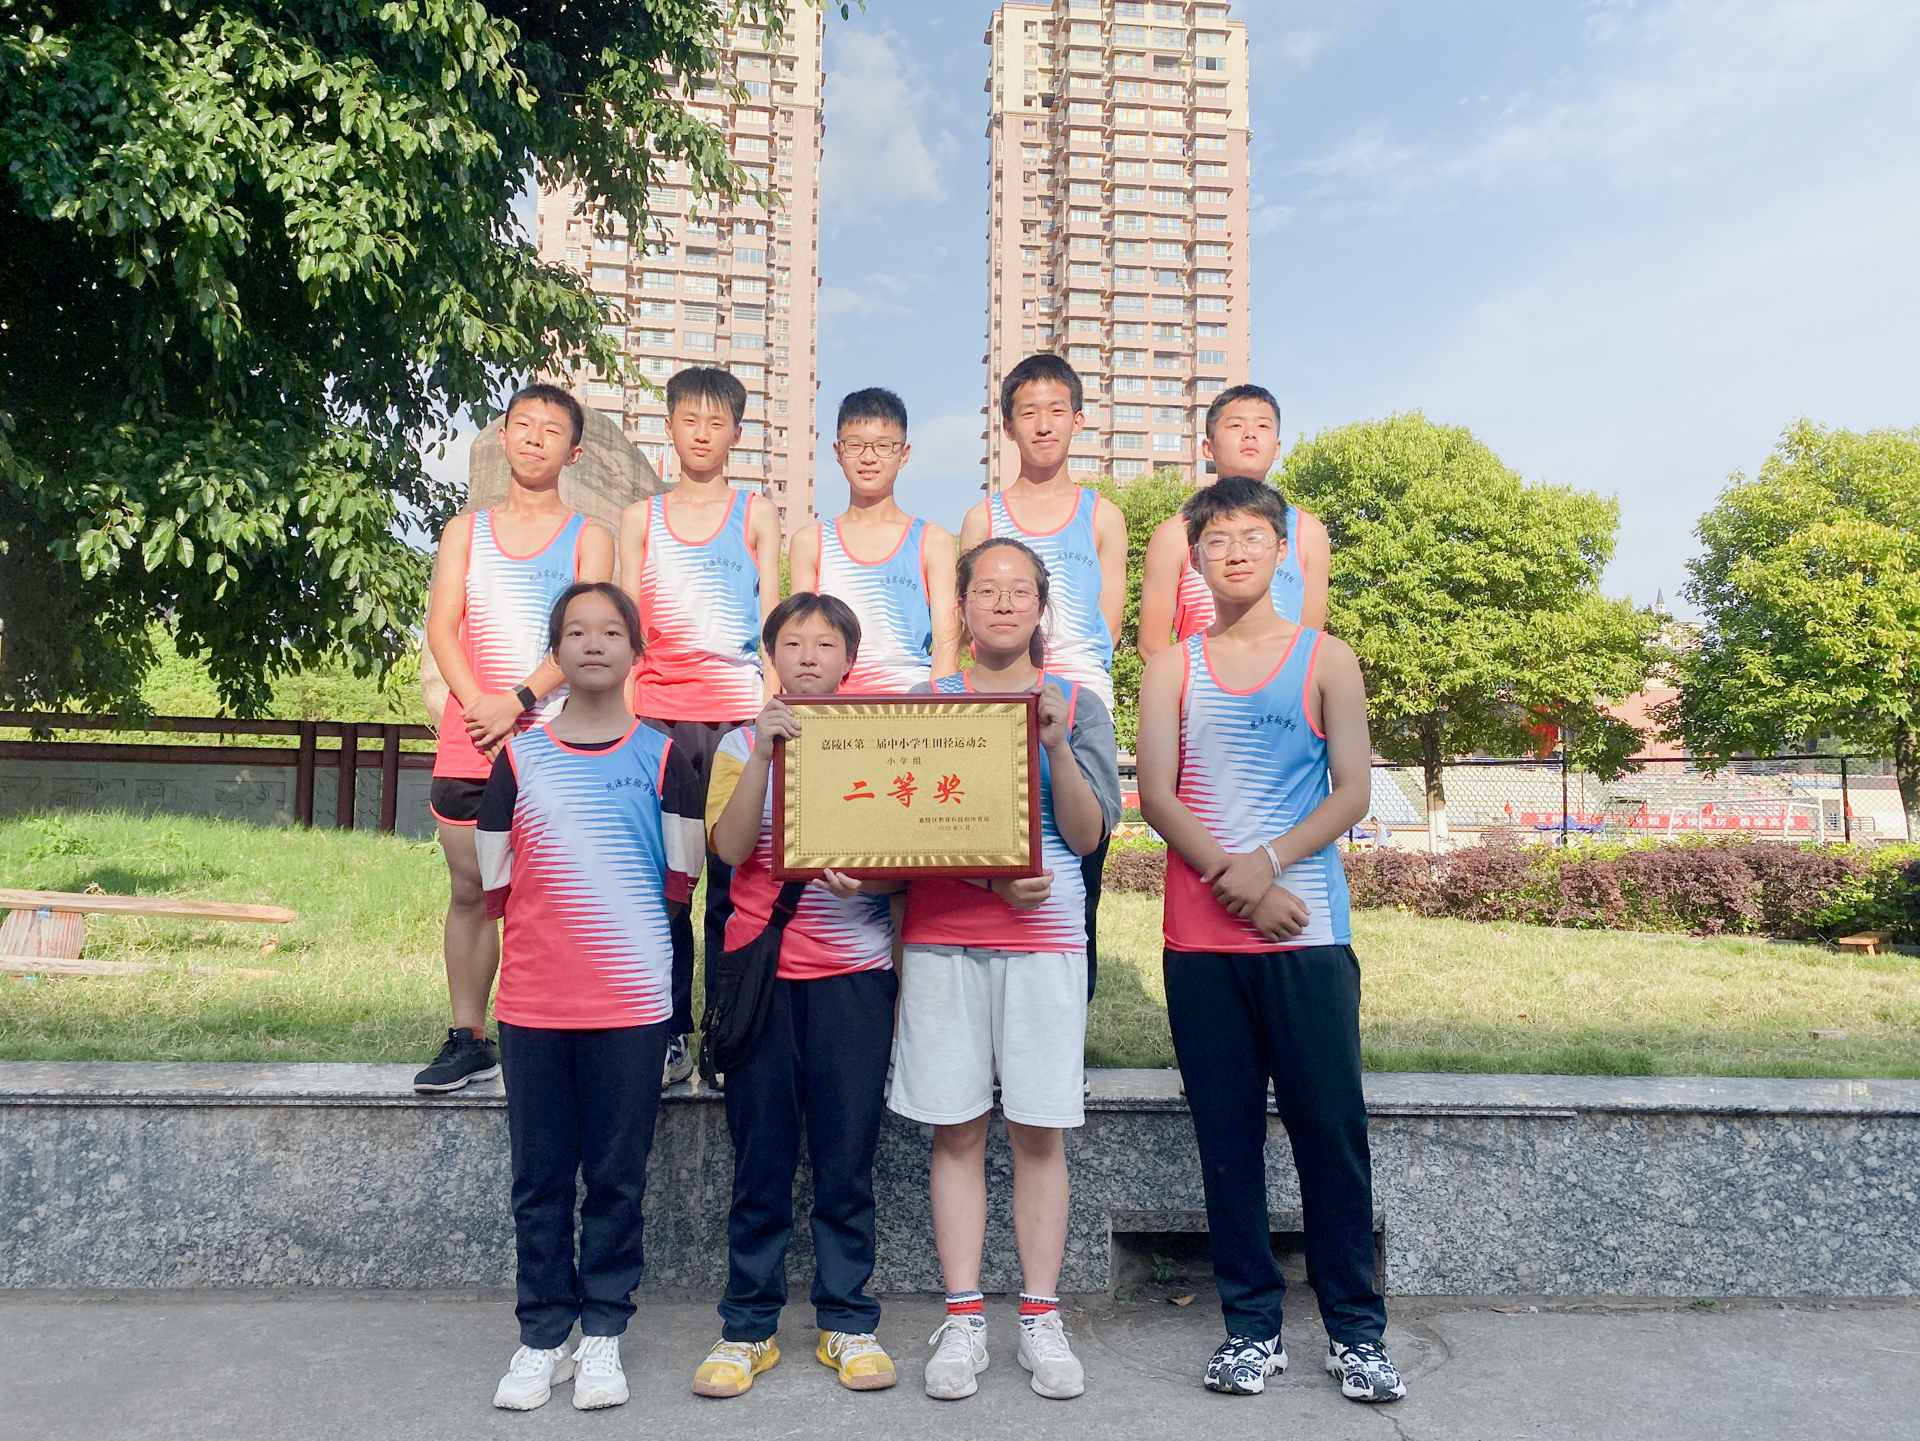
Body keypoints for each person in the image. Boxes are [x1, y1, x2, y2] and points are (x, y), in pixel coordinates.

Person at [1136, 477, 1405, 1404]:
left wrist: (1272, 863)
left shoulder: (1327, 658)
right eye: (1218, 539)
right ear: (1195, 559)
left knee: (1332, 1134)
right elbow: (1158, 795)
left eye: (1254, 536)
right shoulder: (1172, 668)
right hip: (1202, 943)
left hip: (1309, 933)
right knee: (1227, 1141)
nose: (1236, 551)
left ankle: (1356, 1333)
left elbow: (1352, 790)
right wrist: (1239, 882)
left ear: (1283, 550)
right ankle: (1250, 1327)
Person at [891, 537, 1122, 1404]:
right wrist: (988, 881)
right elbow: (905, 834)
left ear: (1041, 606)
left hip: (1046, 943)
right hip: (942, 940)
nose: (1001, 602)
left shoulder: (1077, 702)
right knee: (955, 1129)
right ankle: (962, 1318)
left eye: (1018, 589)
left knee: (1038, 1131)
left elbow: (1088, 834)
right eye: (984, 589)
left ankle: (1039, 1315)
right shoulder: (926, 704)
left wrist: (1056, 745)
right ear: (961, 605)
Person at [478, 582, 705, 1412]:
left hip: (631, 1008)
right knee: (539, 1179)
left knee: (616, 1177)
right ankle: (542, 1334)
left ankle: (603, 1331)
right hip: (533, 1006)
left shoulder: (665, 758)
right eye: (576, 631)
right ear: (556, 653)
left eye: (612, 630)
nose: (595, 643)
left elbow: (681, 882)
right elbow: (496, 881)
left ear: (637, 651)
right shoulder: (519, 758)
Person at [690, 593, 904, 1400]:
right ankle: (748, 1326)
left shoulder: (880, 738)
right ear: (771, 655)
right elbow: (730, 846)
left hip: (855, 977)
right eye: (792, 642)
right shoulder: (738, 743)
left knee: (847, 1161)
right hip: (765, 978)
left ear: (850, 659)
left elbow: (905, 862)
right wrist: (767, 753)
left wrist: (870, 880)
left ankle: (847, 1319)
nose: (809, 655)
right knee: (762, 1160)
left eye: (825, 643)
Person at [416, 383, 616, 1093]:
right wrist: (482, 709)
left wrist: (519, 701)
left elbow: (589, 637)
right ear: (502, 437)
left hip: (557, 740)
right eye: (522, 424)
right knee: (470, 888)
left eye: (551, 430)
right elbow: (442, 628)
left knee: (557, 890)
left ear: (574, 452)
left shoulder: (590, 537)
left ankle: (563, 1032)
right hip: (471, 738)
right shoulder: (463, 532)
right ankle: (468, 1037)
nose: (534, 438)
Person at [620, 366, 783, 1087]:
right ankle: (669, 1030)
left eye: (717, 423)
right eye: (690, 420)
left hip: (736, 722)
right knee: (666, 886)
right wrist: (628, 721)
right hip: (658, 721)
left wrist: (770, 715)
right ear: (670, 426)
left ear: (736, 434)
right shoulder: (640, 518)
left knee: (730, 885)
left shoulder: (756, 513)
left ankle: (724, 1030)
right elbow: (626, 627)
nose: (702, 434)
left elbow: (773, 624)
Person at [958, 354, 1126, 1004]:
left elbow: (1106, 626)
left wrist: (1067, 697)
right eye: (1028, 412)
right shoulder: (984, 518)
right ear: (1007, 426)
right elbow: (969, 618)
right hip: (997, 703)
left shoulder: (1103, 516)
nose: (1044, 423)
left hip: (1078, 707)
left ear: (1078, 420)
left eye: (1057, 410)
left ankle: (1068, 1027)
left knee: (1080, 873)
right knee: (986, 854)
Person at [1137, 384, 1329, 662]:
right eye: (1236, 425)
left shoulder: (1309, 534)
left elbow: (1310, 643)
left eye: (1262, 426)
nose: (1250, 434)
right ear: (1208, 447)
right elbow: (1152, 645)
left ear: (1277, 448)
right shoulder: (1175, 534)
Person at [788, 387, 959, 691]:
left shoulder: (934, 542)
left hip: (911, 707)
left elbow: (947, 648)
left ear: (903, 454)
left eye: (883, 446)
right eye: (855, 445)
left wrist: (934, 713)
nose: (868, 457)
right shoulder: (810, 543)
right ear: (838, 452)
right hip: (833, 709)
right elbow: (798, 641)